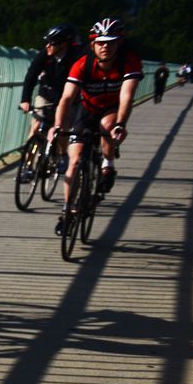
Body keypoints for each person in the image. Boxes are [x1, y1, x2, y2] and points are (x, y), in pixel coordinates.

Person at [50, 17, 141, 235]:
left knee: (108, 125)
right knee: (74, 163)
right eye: (100, 42)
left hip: (112, 107)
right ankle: (68, 210)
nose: (105, 47)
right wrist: (58, 126)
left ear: (119, 43)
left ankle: (108, 165)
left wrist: (121, 124)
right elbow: (66, 98)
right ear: (93, 44)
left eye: (110, 42)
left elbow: (127, 96)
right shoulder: (82, 64)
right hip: (86, 108)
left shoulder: (129, 62)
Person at [18, 25, 82, 179]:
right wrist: (25, 100)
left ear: (63, 44)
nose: (47, 46)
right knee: (36, 127)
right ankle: (26, 167)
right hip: (46, 95)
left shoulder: (75, 57)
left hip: (68, 98)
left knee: (62, 127)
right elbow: (31, 76)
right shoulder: (44, 56)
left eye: (51, 43)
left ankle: (61, 155)